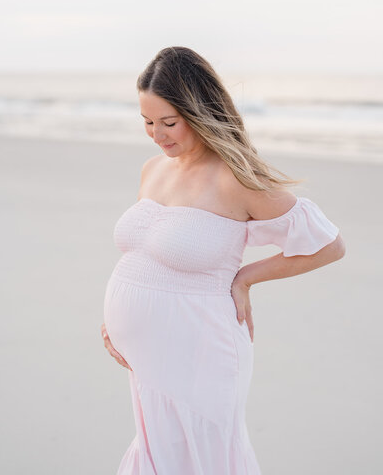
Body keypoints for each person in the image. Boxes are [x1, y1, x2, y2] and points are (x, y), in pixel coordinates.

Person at [101, 46, 345, 474]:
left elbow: (327, 244)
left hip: (201, 349)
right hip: (147, 357)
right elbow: (146, 253)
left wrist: (246, 278)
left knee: (204, 457)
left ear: (199, 112)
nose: (158, 134)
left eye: (169, 123)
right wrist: (117, 324)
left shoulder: (237, 178)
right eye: (147, 122)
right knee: (160, 454)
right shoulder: (152, 170)